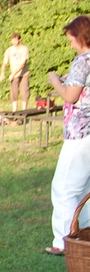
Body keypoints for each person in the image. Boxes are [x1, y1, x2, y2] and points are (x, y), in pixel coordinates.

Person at [46, 16, 90, 255]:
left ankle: (64, 240)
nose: (71, 44)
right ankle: (83, 234)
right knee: (84, 189)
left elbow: (71, 96)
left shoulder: (83, 61)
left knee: (64, 189)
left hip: (80, 133)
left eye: (72, 39)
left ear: (81, 37)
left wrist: (55, 81)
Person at [0, 34, 30, 112]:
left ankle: (24, 111)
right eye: (13, 40)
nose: (14, 42)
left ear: (19, 40)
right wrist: (2, 73)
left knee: (24, 92)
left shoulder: (24, 49)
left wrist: (13, 74)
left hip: (24, 74)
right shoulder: (9, 50)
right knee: (13, 93)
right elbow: (5, 62)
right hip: (14, 75)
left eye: (16, 40)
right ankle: (14, 112)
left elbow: (22, 64)